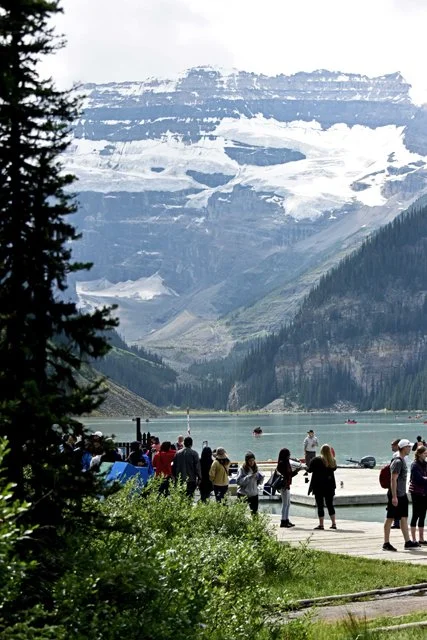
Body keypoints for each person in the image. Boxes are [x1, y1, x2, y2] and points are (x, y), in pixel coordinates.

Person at [383, 438, 419, 551]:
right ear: (403, 448)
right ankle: (386, 543)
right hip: (396, 494)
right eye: (408, 447)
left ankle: (407, 542)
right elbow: (393, 479)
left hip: (402, 494)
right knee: (390, 517)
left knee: (404, 517)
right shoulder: (398, 461)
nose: (410, 448)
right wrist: (394, 496)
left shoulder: (402, 459)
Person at [308, 444, 337, 530]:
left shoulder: (316, 460)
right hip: (330, 485)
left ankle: (321, 524)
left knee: (320, 505)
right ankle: (333, 523)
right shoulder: (333, 461)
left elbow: (310, 470)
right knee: (330, 505)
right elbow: (334, 468)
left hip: (318, 485)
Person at [276, 448, 300, 528]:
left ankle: (286, 519)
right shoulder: (282, 463)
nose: (289, 456)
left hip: (287, 485)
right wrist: (294, 472)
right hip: (284, 486)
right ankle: (283, 521)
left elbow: (289, 475)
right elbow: (286, 475)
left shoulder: (286, 462)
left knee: (288, 503)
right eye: (288, 454)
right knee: (285, 504)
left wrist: (296, 471)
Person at [409, 445, 427, 545]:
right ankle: (414, 539)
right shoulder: (414, 465)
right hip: (416, 492)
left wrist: (424, 478)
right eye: (424, 453)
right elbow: (418, 479)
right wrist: (425, 478)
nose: (426, 455)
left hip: (425, 492)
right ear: (419, 454)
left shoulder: (425, 464)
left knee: (423, 515)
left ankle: (421, 539)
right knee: (415, 514)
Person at [236, 451, 264, 515]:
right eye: (250, 461)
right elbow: (238, 481)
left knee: (255, 513)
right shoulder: (242, 469)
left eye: (253, 460)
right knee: (240, 513)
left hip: (254, 494)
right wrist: (249, 477)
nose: (252, 462)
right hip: (243, 494)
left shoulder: (256, 468)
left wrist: (261, 478)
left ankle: (255, 522)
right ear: (246, 461)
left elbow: (259, 482)